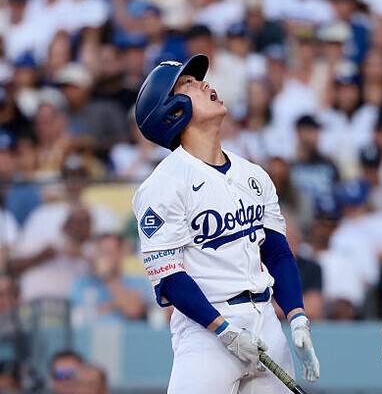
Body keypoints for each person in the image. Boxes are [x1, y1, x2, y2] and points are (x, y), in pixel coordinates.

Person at [132, 55, 319, 393]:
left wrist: (297, 317)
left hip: (265, 323)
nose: (204, 84)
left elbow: (277, 253)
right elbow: (170, 278)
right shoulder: (163, 185)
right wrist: (223, 330)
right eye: (188, 84)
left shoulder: (253, 174)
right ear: (172, 112)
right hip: (206, 332)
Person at [71, 233, 150, 324]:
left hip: (128, 332)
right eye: (100, 252)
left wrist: (109, 278)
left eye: (108, 252)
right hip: (89, 331)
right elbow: (79, 315)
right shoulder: (81, 284)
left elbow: (133, 311)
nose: (103, 257)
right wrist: (115, 305)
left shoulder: (139, 282)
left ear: (121, 254)